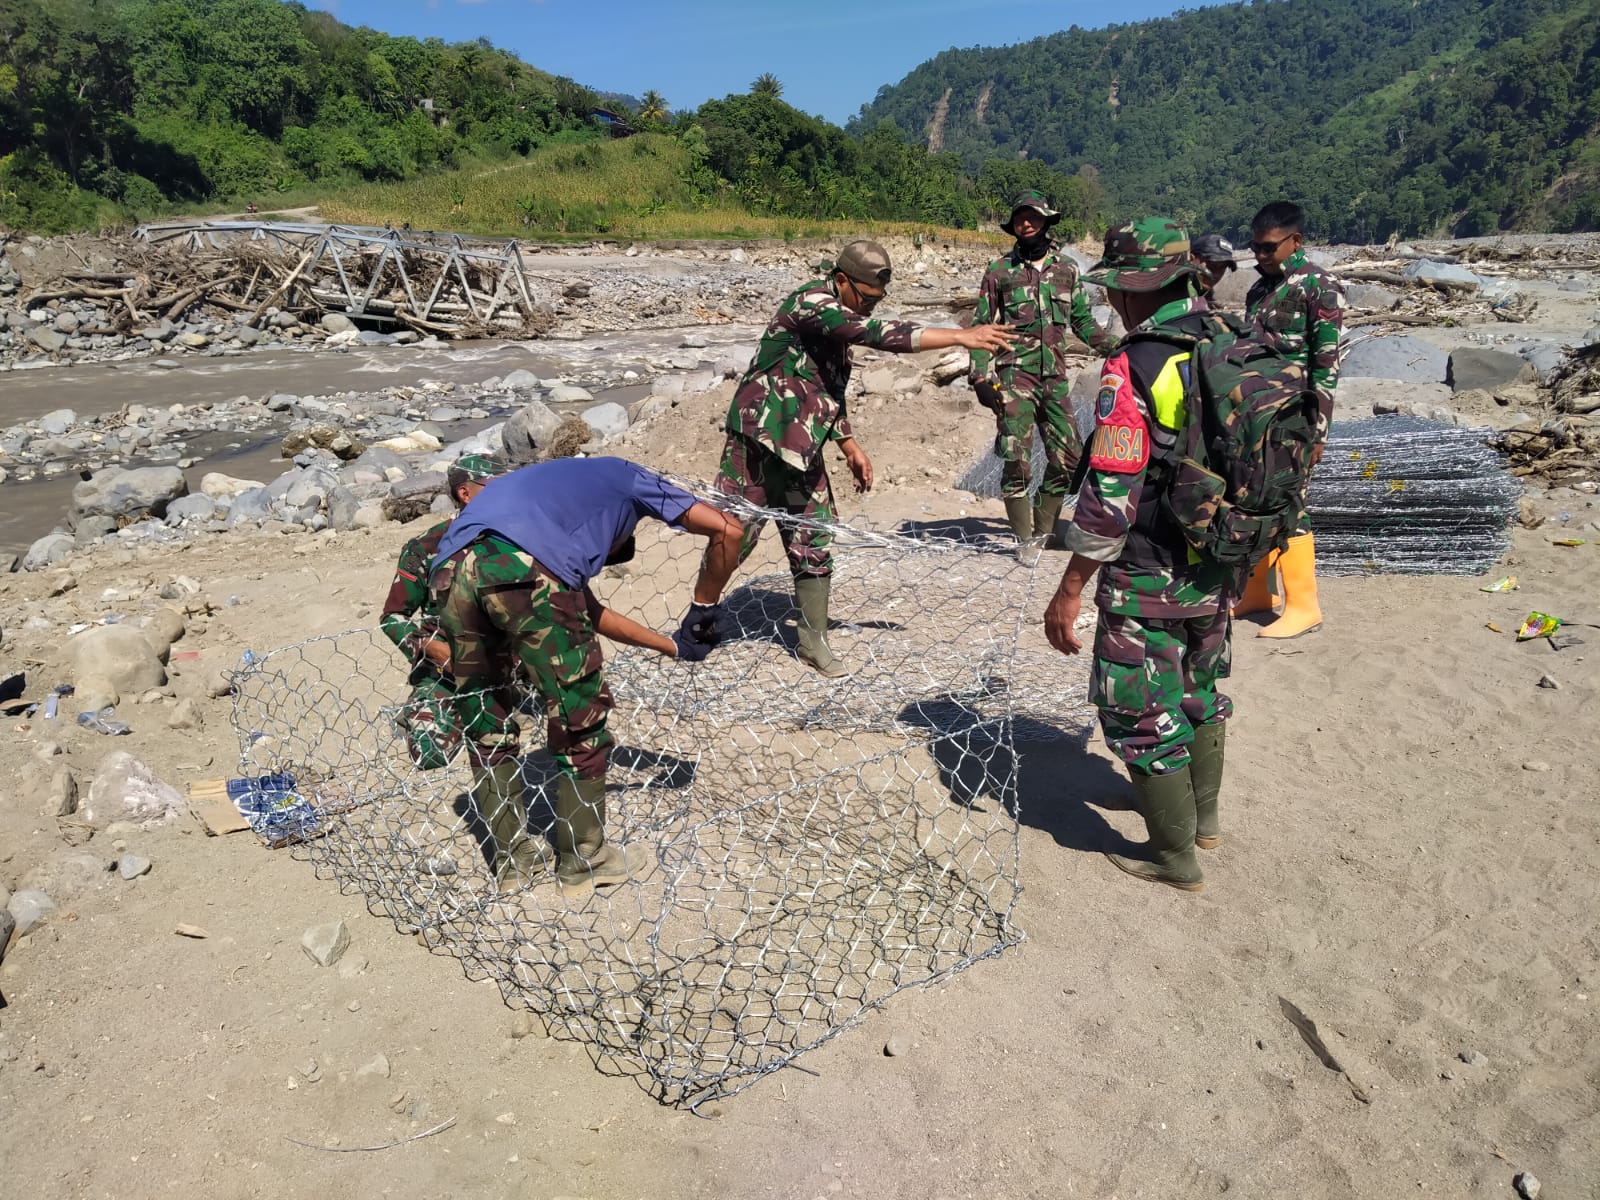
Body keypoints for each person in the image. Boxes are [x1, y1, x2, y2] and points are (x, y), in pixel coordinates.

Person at [429, 456, 742, 891]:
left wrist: (671, 646)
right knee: (579, 716)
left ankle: (512, 863)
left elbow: (587, 610)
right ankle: (584, 860)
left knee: (487, 714)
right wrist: (703, 608)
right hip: (522, 569)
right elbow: (729, 529)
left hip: (448, 571)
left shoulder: (545, 495)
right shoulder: (630, 475)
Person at [718, 239, 1016, 677]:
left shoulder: (839, 321)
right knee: (732, 535)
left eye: (877, 300)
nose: (870, 307)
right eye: (867, 298)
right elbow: (876, 334)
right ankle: (701, 614)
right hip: (759, 441)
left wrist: (849, 445)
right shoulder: (813, 303)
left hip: (802, 446)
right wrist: (959, 335)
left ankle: (813, 642)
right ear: (842, 280)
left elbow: (824, 389)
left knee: (813, 538)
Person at [1044, 219, 1233, 893]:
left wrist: (1070, 586)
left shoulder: (1136, 363)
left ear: (1134, 289)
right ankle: (1203, 822)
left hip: (1148, 567)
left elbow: (1111, 495)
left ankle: (1174, 857)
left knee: (1140, 711)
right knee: (1199, 691)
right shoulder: (1234, 341)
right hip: (1218, 560)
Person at [969, 190, 1110, 554]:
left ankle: (1044, 529)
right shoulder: (999, 271)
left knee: (1069, 456)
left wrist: (1116, 347)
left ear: (1046, 220)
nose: (1026, 223)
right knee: (1016, 456)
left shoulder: (1067, 269)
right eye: (1019, 218)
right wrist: (980, 377)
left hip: (1055, 379)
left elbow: (1081, 320)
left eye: (1032, 217)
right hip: (1014, 377)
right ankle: (1025, 540)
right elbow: (982, 326)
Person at [1237, 201, 1347, 639]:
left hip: (1295, 418)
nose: (1260, 255)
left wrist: (1318, 431)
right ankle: (1258, 594)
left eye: (1268, 247)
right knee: (1256, 500)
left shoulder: (1319, 286)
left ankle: (1303, 606)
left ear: (1295, 241)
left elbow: (1326, 364)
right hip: (1258, 418)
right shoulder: (1259, 290)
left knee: (1291, 504)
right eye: (1255, 248)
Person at [380, 453, 505, 771]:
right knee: (429, 751)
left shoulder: (519, 538)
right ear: (465, 493)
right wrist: (431, 648)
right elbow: (393, 617)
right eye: (495, 487)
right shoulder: (426, 547)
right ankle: (429, 705)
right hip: (449, 670)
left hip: (516, 662)